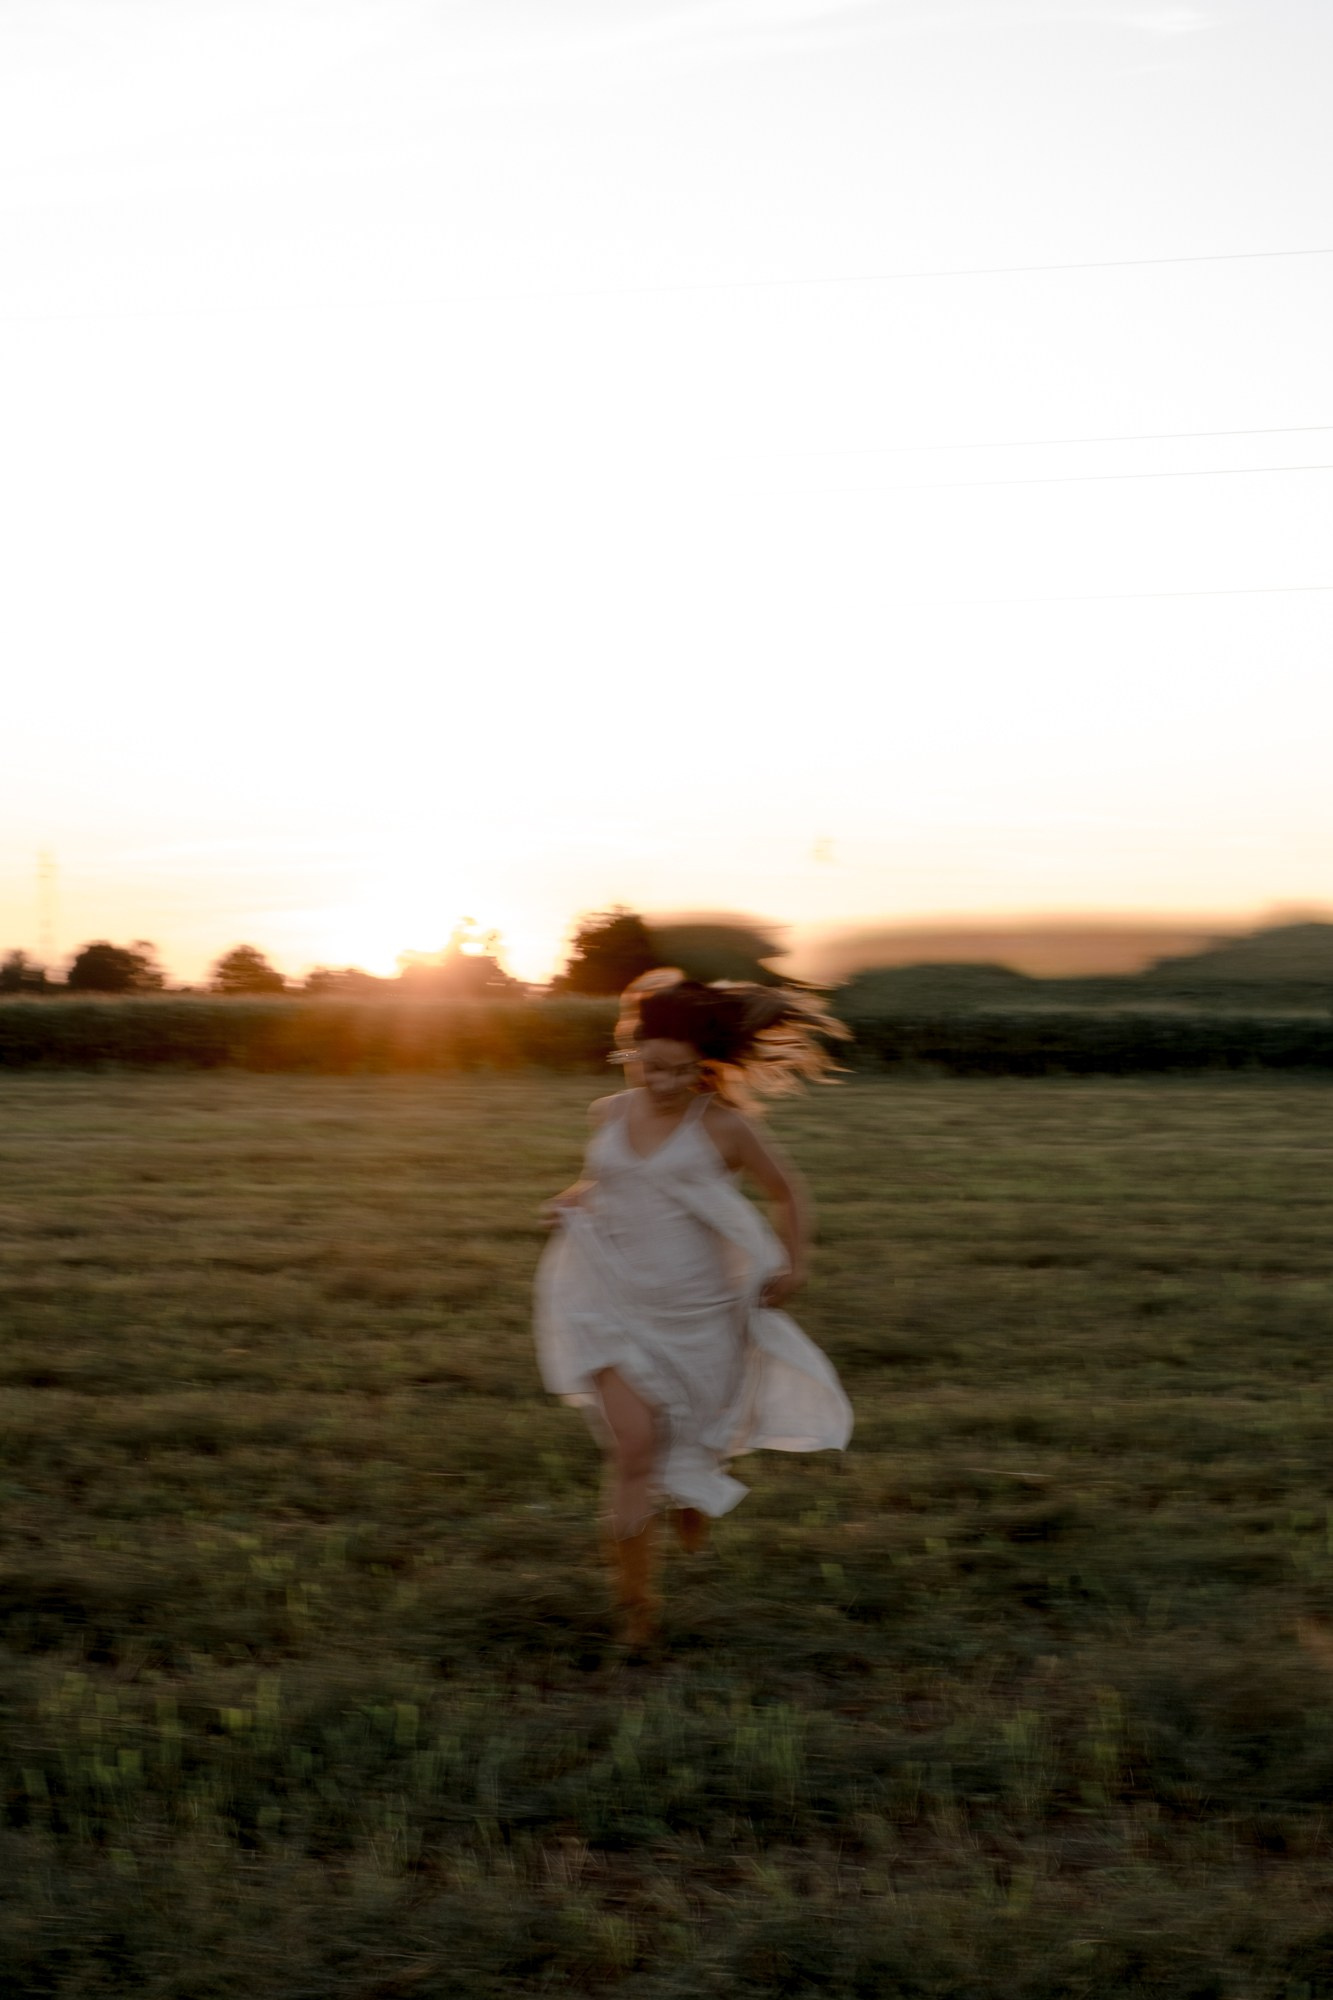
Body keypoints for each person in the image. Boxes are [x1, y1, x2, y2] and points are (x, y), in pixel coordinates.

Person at [534, 969, 854, 1648]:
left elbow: (787, 1192)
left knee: (691, 1443)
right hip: (611, 1301)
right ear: (632, 1048)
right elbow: (602, 1181)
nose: (665, 1082)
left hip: (700, 1315)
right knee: (634, 1450)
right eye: (652, 1066)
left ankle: (692, 1496)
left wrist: (795, 1263)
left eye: (682, 1071)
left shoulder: (723, 1127)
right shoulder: (608, 1112)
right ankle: (637, 1614)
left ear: (703, 1066)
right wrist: (568, 1201)